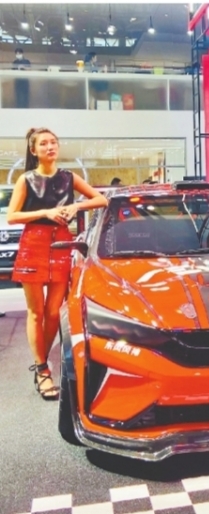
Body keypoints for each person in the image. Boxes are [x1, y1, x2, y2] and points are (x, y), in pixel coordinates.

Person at [7, 127, 108, 400]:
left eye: (53, 142)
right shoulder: (26, 179)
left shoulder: (69, 177)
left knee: (53, 312)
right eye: (43, 143)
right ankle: (42, 369)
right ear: (34, 150)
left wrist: (76, 207)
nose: (50, 146)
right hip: (33, 244)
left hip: (62, 244)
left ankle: (40, 363)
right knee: (36, 312)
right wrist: (46, 212)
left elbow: (101, 199)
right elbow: (12, 216)